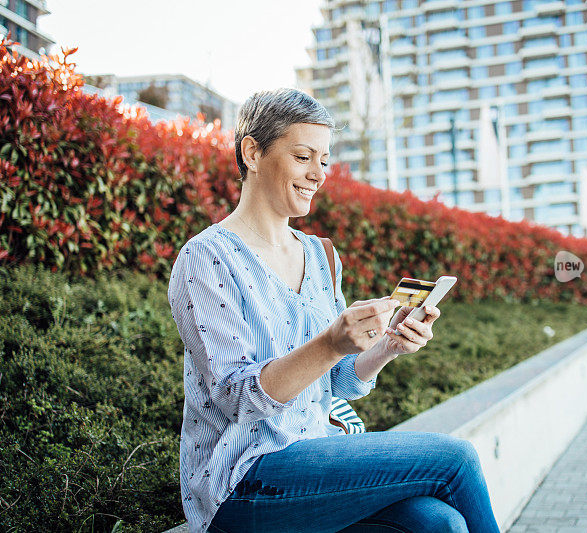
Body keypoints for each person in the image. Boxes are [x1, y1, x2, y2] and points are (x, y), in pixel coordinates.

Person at [167, 88, 501, 533]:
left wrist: (386, 346)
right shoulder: (207, 258)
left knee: (439, 524)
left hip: (315, 465)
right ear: (252, 152)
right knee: (456, 460)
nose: (318, 174)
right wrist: (329, 343)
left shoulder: (320, 256)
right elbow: (237, 400)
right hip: (243, 482)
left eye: (324, 161)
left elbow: (338, 381)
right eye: (304, 156)